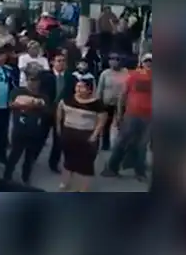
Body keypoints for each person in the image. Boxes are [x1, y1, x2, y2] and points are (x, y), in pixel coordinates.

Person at [102, 53, 152, 181]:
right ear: (142, 62)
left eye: (151, 61)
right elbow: (123, 94)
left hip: (149, 116)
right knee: (122, 141)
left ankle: (140, 172)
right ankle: (112, 168)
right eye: (146, 61)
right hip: (132, 114)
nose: (149, 63)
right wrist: (119, 113)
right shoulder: (133, 75)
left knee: (142, 144)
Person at [55, 77, 108, 192]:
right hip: (69, 133)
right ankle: (65, 182)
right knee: (68, 159)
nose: (78, 89)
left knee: (85, 163)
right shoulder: (67, 99)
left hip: (86, 135)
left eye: (82, 87)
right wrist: (59, 128)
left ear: (89, 90)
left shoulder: (97, 104)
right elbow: (59, 112)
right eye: (77, 86)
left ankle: (83, 188)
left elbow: (102, 120)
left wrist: (95, 135)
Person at [3, 68, 51, 185]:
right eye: (30, 80)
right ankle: (7, 176)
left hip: (35, 132)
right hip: (19, 130)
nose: (33, 83)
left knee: (29, 158)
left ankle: (26, 177)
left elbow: (45, 109)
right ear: (27, 80)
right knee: (14, 155)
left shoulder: (44, 96)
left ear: (39, 82)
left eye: (35, 80)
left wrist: (25, 103)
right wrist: (34, 103)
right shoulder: (17, 91)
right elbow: (11, 104)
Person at [95, 52, 130, 151]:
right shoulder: (105, 73)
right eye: (111, 59)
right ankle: (105, 144)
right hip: (107, 102)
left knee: (122, 124)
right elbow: (100, 89)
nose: (114, 62)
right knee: (106, 124)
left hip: (122, 103)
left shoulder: (126, 72)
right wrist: (98, 103)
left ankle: (121, 145)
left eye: (116, 59)